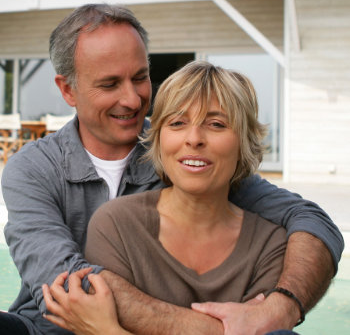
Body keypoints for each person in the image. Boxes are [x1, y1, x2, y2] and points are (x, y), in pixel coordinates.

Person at [0, 3, 343, 335]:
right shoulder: (30, 170)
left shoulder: (184, 155)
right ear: (67, 89)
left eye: (140, 78)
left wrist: (280, 308)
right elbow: (68, 286)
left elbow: (311, 221)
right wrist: (222, 330)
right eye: (109, 84)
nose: (133, 99)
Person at [43, 61, 298, 335]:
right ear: (159, 139)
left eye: (216, 124)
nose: (194, 139)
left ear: (244, 142)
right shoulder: (117, 225)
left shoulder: (270, 245)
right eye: (177, 123)